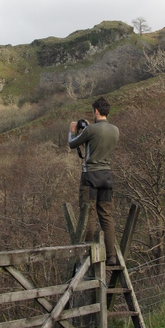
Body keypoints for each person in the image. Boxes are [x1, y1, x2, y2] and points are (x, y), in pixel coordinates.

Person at [68, 96, 119, 266]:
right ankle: (111, 256)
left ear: (96, 111)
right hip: (106, 176)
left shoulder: (91, 131)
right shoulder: (115, 130)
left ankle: (90, 254)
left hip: (90, 176)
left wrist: (73, 130)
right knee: (106, 215)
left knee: (88, 213)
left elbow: (72, 144)